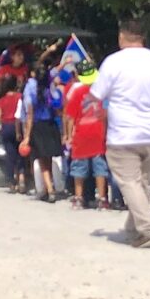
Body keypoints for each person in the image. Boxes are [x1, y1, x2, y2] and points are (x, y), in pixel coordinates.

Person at [89, 19, 150, 248]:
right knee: (141, 183)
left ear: (122, 36)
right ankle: (133, 228)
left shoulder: (113, 62)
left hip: (124, 135)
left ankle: (148, 229)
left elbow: (96, 96)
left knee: (129, 183)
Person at [63, 60, 110, 211]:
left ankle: (78, 198)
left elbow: (70, 117)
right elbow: (107, 114)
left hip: (81, 133)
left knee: (78, 168)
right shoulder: (102, 92)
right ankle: (102, 199)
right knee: (100, 167)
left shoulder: (77, 92)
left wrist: (68, 135)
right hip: (99, 132)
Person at [21, 49, 64, 203]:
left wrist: (26, 136)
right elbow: (53, 70)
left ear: (32, 74)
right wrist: (62, 61)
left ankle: (50, 191)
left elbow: (30, 115)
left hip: (38, 127)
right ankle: (49, 187)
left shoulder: (30, 88)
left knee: (42, 161)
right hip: (51, 125)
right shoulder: (49, 84)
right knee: (50, 159)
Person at [0, 75, 24, 193]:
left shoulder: (0, 101)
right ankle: (22, 179)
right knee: (21, 154)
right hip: (19, 127)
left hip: (6, 128)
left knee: (10, 156)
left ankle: (12, 182)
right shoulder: (20, 97)